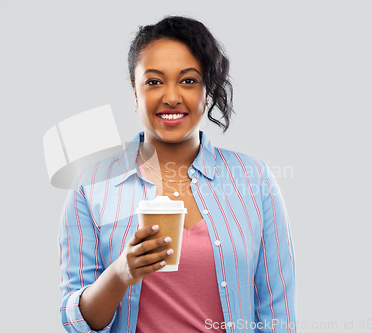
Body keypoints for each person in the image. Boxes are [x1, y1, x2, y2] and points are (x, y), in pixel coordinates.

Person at [59, 15, 297, 333]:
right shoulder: (91, 186)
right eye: (154, 81)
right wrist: (120, 274)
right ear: (135, 90)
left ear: (206, 90)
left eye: (187, 80)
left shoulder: (255, 179)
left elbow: (277, 315)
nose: (171, 96)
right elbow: (76, 324)